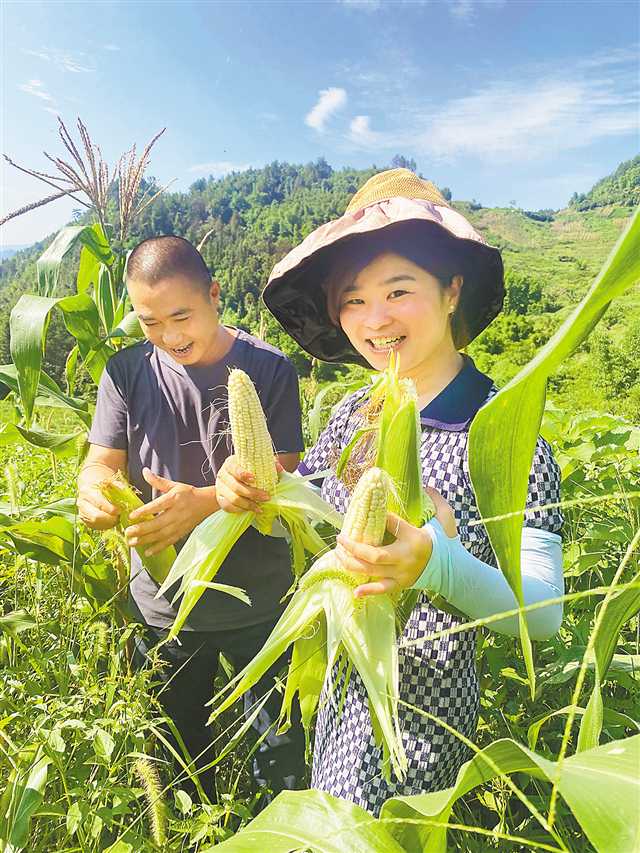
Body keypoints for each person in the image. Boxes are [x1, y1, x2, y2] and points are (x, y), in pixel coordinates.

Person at [214, 170, 564, 814]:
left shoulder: (505, 436)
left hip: (427, 729)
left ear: (452, 291)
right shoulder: (351, 418)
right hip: (339, 708)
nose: (374, 320)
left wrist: (438, 565)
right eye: (352, 300)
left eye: (398, 291)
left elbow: (543, 614)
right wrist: (257, 496)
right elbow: (308, 524)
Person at [77, 235, 305, 799]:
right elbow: (100, 463)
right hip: (164, 609)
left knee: (279, 762)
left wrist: (200, 504)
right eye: (150, 322)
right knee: (180, 764)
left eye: (182, 315)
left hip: (262, 602)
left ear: (215, 294)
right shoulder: (126, 373)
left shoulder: (269, 369)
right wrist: (95, 493)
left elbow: (282, 469)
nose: (171, 336)